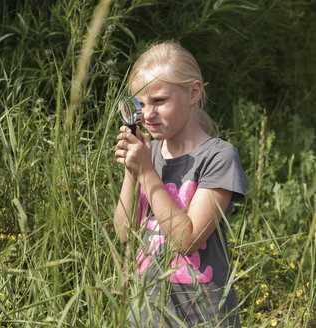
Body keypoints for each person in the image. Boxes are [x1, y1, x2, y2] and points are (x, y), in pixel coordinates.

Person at [113, 42, 248, 327]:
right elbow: (125, 232)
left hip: (200, 314)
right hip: (146, 313)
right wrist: (132, 172)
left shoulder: (218, 156)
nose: (148, 114)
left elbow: (187, 241)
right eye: (140, 103)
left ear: (193, 92)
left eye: (159, 101)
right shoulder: (148, 155)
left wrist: (147, 173)